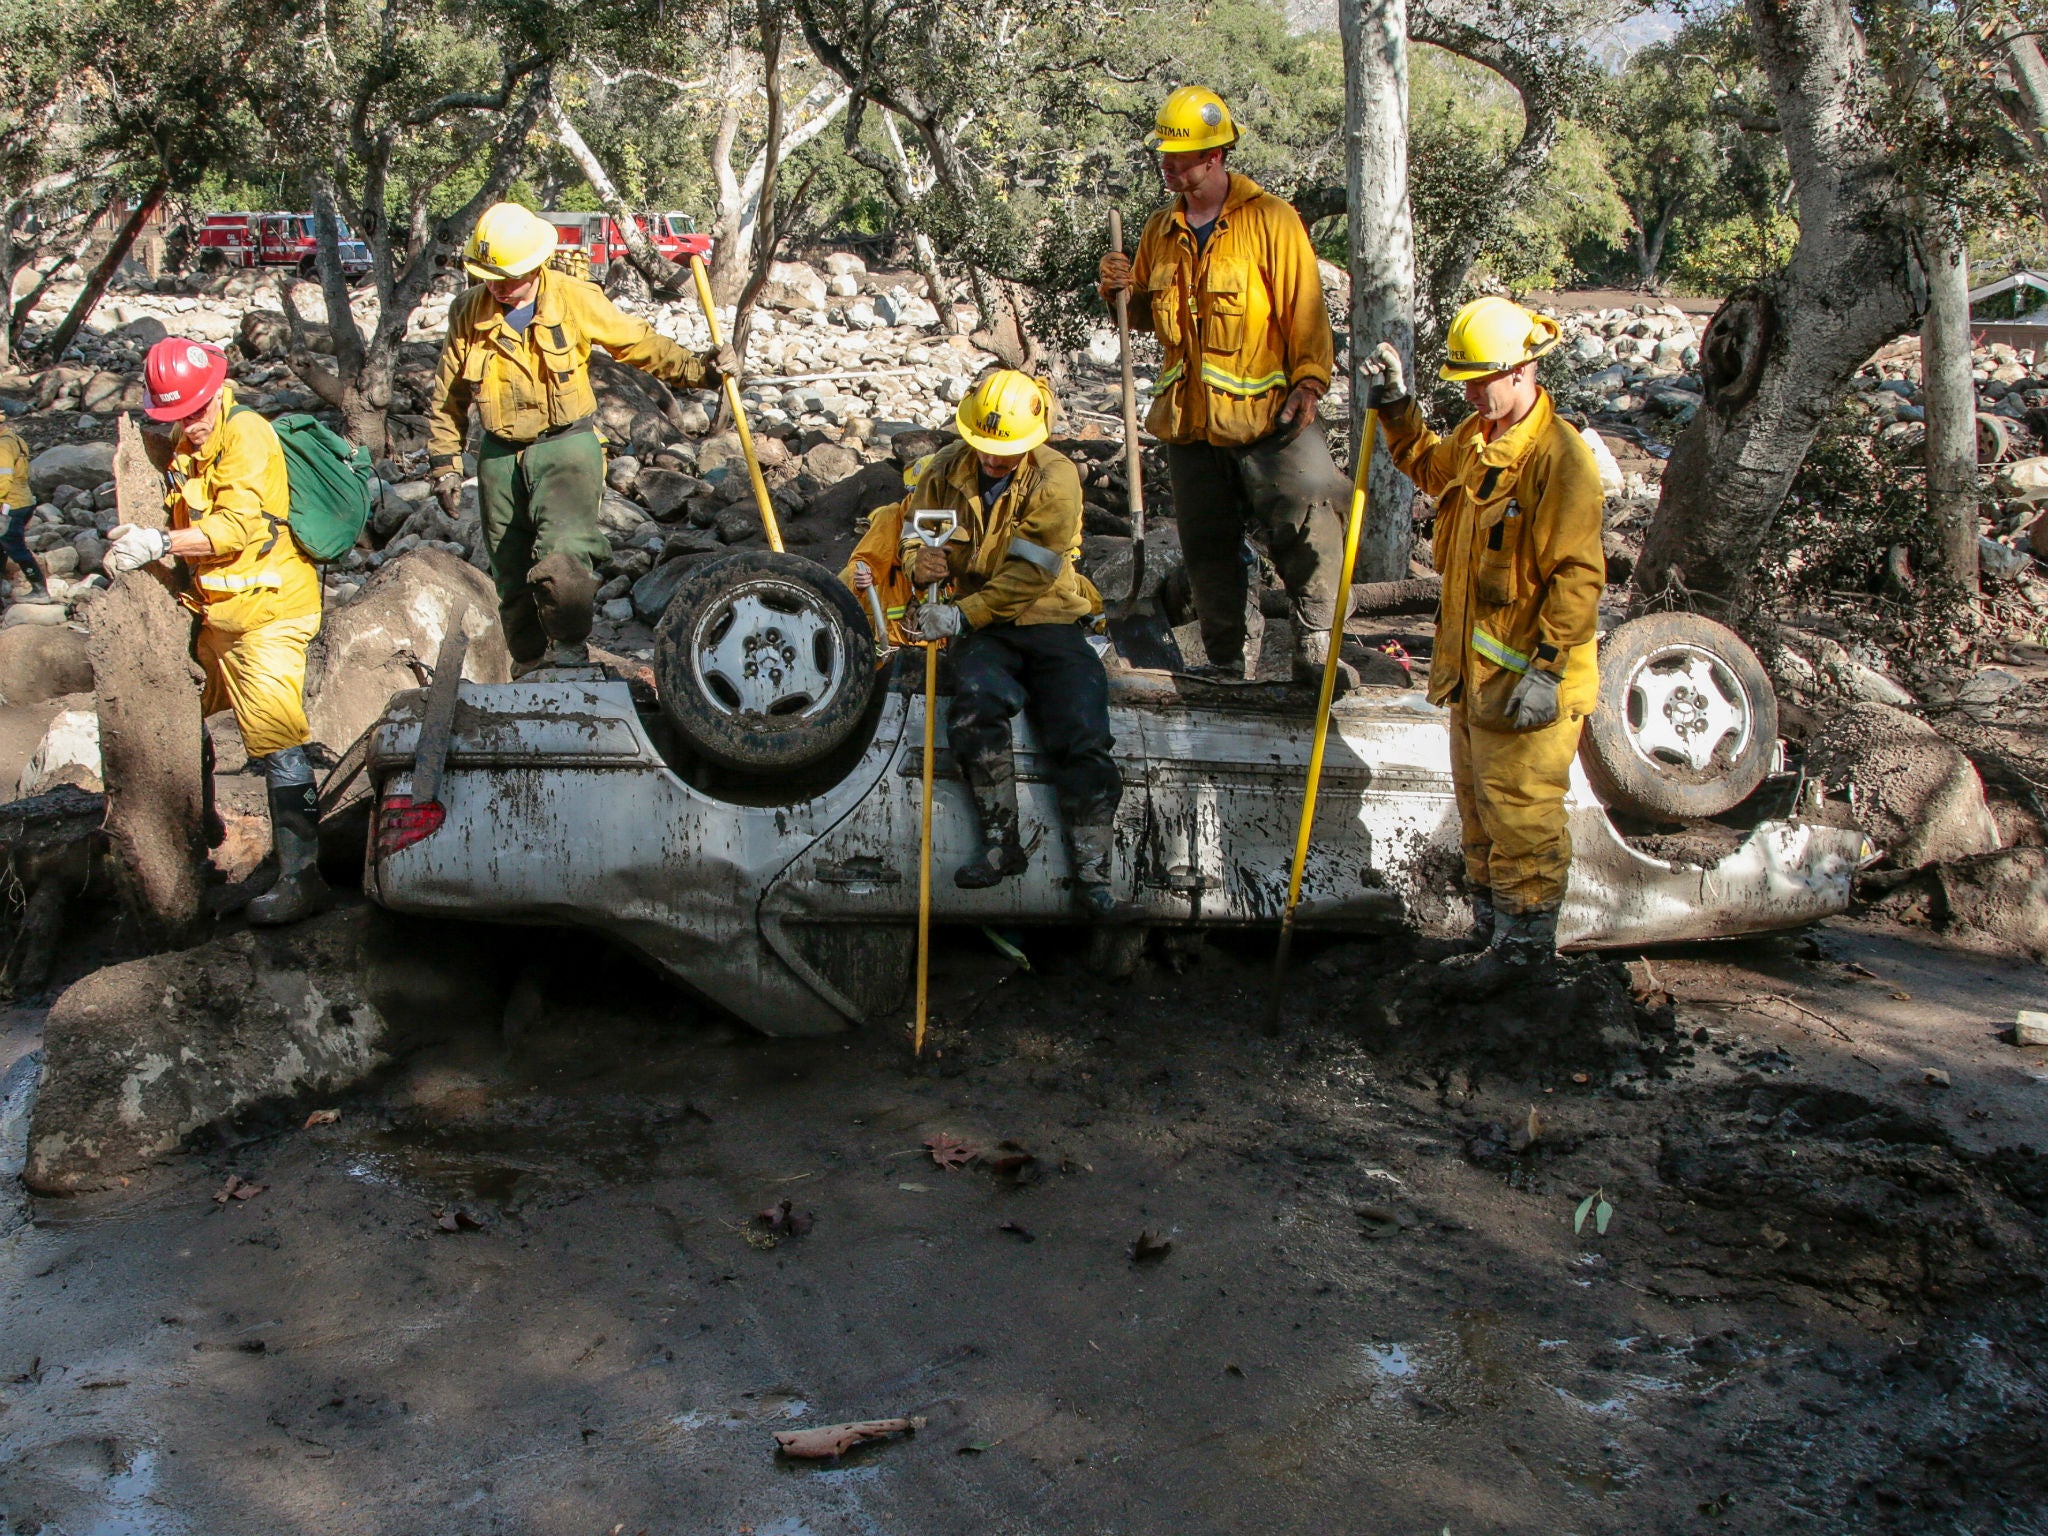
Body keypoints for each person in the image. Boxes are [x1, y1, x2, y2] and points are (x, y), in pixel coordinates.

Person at [1362, 297, 1605, 966]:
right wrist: (1396, 408)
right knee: (1480, 815)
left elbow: (1579, 578)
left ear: (1521, 371)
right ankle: (1487, 939)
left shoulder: (1560, 461)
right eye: (1463, 381)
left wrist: (1547, 669)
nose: (1470, 392)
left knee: (1522, 817)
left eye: (1479, 380)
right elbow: (1426, 465)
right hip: (1473, 681)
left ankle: (1525, 956)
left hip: (1530, 682)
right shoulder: (1476, 438)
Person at [1097, 85, 1356, 686]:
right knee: (1208, 546)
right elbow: (1141, 321)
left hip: (1269, 416)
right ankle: (1224, 663)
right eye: (1163, 154)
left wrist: (1309, 383)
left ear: (1214, 157)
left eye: (1178, 156)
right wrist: (1118, 292)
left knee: (1311, 510)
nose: (1166, 164)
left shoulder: (1271, 220)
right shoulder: (1160, 230)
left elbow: (1305, 309)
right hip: (1189, 422)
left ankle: (1317, 643)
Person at [845, 371, 1123, 916]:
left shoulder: (1056, 478)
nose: (994, 461)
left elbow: (1028, 577)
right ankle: (1002, 846)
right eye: (985, 449)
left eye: (1007, 453)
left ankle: (1094, 873)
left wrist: (959, 616)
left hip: (1045, 617)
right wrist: (916, 561)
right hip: (980, 628)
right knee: (975, 706)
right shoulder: (946, 467)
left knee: (1082, 730)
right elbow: (911, 534)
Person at [425, 201, 735, 674]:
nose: (498, 288)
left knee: (565, 558)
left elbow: (639, 343)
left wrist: (703, 370)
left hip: (564, 447)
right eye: (490, 277)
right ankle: (528, 664)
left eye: (508, 278)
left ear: (536, 266)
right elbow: (449, 393)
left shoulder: (574, 298)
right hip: (498, 456)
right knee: (509, 571)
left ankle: (570, 653)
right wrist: (445, 462)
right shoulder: (468, 311)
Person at [105, 337, 330, 924]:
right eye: (176, 416)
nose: (190, 426)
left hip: (270, 613)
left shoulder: (246, 434)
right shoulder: (184, 443)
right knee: (181, 715)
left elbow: (234, 528)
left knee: (278, 741)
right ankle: (201, 835)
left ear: (216, 395)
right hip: (217, 617)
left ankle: (303, 878)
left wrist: (157, 543)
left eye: (196, 412)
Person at [0, 426, 48, 603]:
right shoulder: (13, 439)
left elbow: (3, 479)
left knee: (15, 547)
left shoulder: (2, 447)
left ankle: (40, 590)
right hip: (23, 501)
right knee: (3, 546)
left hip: (9, 504)